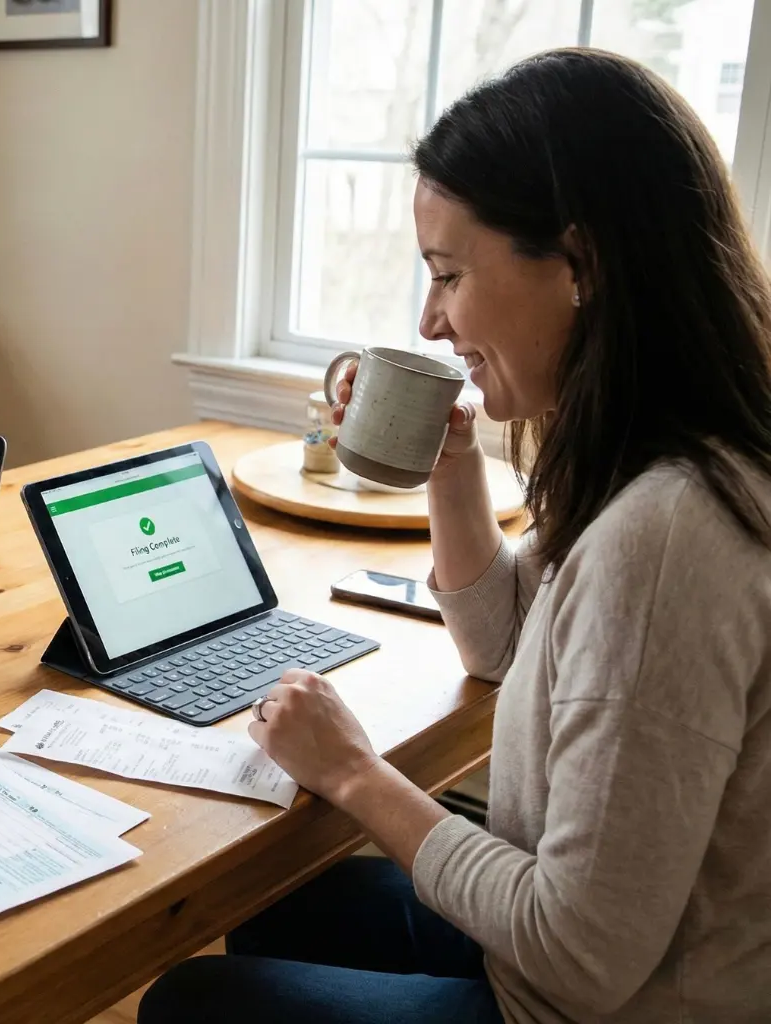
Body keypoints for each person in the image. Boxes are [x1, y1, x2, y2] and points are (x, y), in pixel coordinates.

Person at [140, 48, 771, 1024]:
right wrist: (452, 460)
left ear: (582, 264)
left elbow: (579, 953)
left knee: (191, 1001)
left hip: (591, 1000)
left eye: (448, 275)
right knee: (274, 904)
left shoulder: (667, 535)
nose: (431, 321)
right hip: (574, 947)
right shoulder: (643, 448)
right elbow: (505, 649)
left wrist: (355, 771)